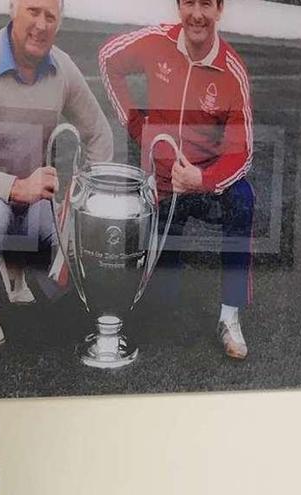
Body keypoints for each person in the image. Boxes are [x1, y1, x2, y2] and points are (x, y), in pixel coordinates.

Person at [0, 0, 114, 347]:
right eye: (33, 10)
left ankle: (13, 266)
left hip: (29, 204)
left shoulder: (63, 68)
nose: (41, 24)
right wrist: (15, 187)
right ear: (13, 8)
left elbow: (99, 134)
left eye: (50, 16)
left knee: (68, 235)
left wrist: (83, 199)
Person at [99, 0, 254, 359]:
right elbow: (108, 58)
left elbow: (241, 152)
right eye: (189, 3)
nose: (197, 14)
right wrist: (134, 122)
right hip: (163, 183)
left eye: (206, 4)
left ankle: (229, 316)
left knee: (244, 200)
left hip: (206, 183)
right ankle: (154, 292)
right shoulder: (156, 42)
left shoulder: (232, 71)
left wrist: (203, 178)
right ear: (179, 7)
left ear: (219, 9)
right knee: (161, 303)